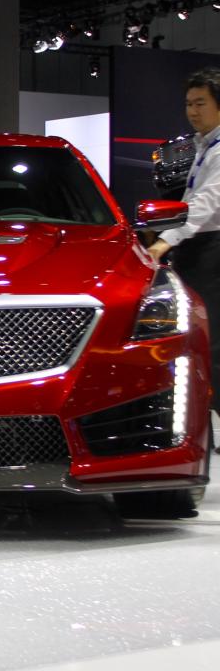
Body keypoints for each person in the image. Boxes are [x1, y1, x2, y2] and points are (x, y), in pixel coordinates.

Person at [147, 68, 220, 454]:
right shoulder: (203, 145)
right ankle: (198, 434)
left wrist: (164, 241)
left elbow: (206, 205)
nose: (192, 111)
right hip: (197, 250)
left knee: (212, 346)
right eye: (189, 104)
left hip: (212, 251)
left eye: (201, 103)